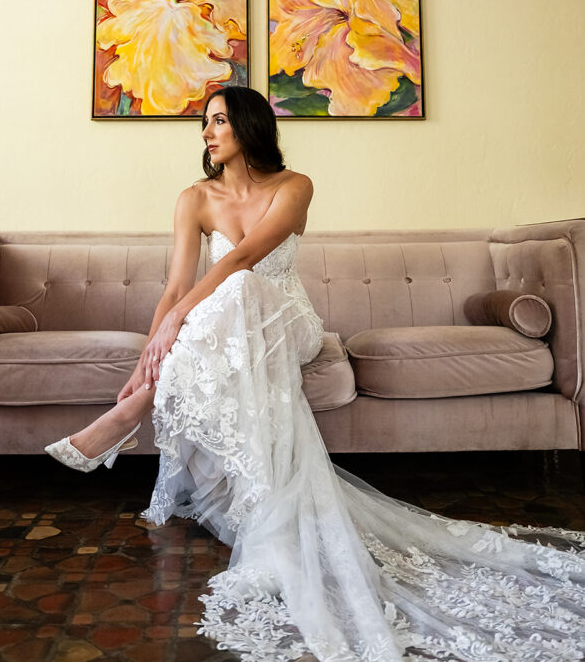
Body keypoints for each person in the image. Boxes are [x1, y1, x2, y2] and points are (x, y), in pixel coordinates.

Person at [46, 87, 585, 662]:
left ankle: (133, 414)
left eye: (219, 121)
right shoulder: (193, 198)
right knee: (228, 304)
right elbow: (177, 287)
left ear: (249, 126)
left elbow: (244, 258)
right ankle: (149, 403)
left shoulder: (294, 186)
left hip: (287, 319)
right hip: (227, 327)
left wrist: (181, 316)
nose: (206, 132)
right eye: (204, 123)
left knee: (243, 287)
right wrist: (145, 358)